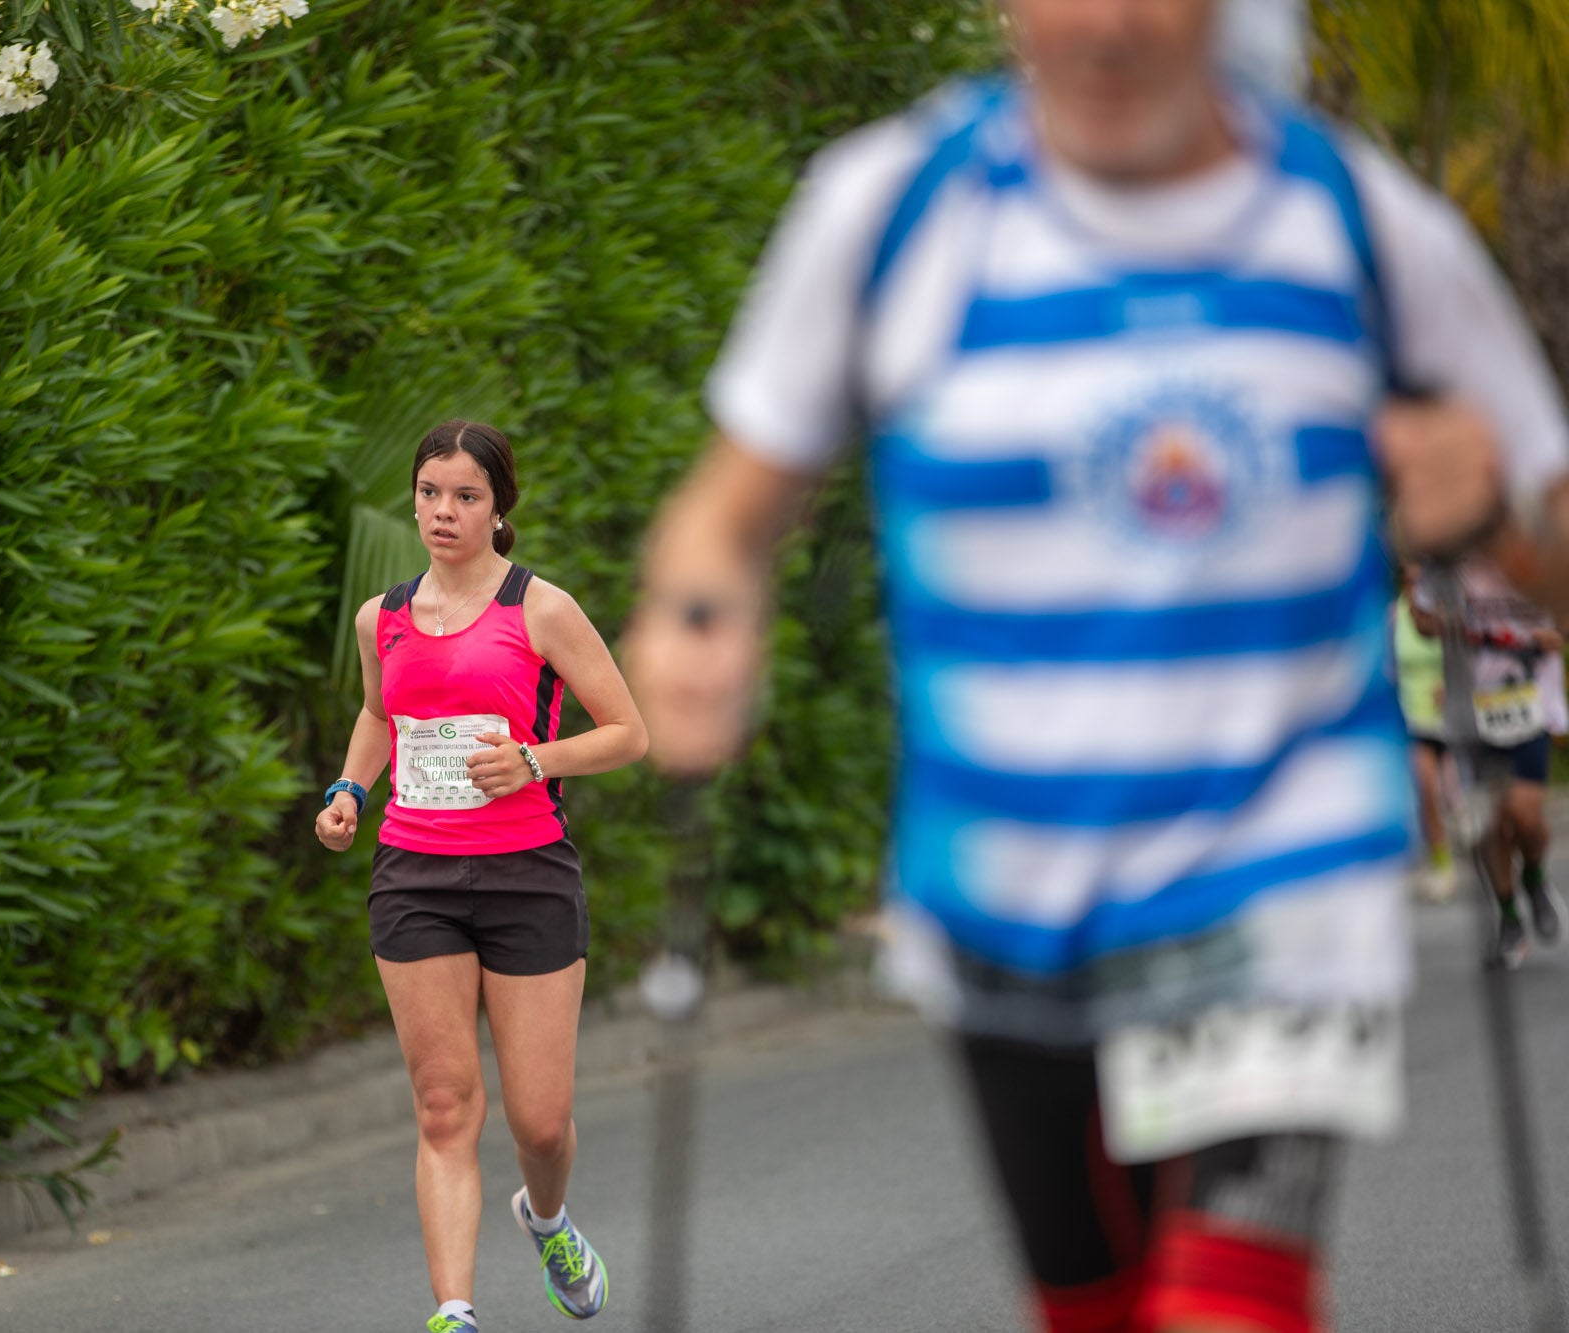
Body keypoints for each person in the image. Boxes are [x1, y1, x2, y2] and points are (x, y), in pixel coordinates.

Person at [627, 2, 1569, 1330]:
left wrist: (1496, 522)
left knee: (1226, 1311)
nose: (1111, 23)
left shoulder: (1364, 229)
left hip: (1279, 873)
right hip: (1007, 891)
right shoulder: (896, 211)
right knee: (1099, 1311)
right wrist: (694, 620)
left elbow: (1552, 544)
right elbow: (721, 517)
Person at [316, 420, 646, 1333]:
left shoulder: (541, 608)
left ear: (499, 507)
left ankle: (547, 1220)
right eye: (430, 493)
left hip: (528, 875)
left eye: (466, 496)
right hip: (413, 875)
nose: (444, 512)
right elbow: (382, 717)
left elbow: (628, 731)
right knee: (443, 1102)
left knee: (540, 1123)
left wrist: (537, 761)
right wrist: (350, 787)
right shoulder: (378, 616)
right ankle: (455, 1312)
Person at [1411, 558, 1566, 967]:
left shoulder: (1532, 543)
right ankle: (1509, 917)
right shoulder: (1447, 563)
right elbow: (1421, 619)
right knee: (1488, 823)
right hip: (1471, 711)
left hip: (1531, 704)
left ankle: (1533, 877)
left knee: (1525, 813)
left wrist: (1554, 634)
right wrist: (1449, 622)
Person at [1392, 563, 1456, 901]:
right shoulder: (1394, 616)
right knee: (1425, 788)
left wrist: (1451, 685)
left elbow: (1467, 657)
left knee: (1454, 794)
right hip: (1414, 714)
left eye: (1423, 579)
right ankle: (1442, 864)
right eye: (1412, 579)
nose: (1417, 585)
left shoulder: (1445, 612)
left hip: (1453, 712)